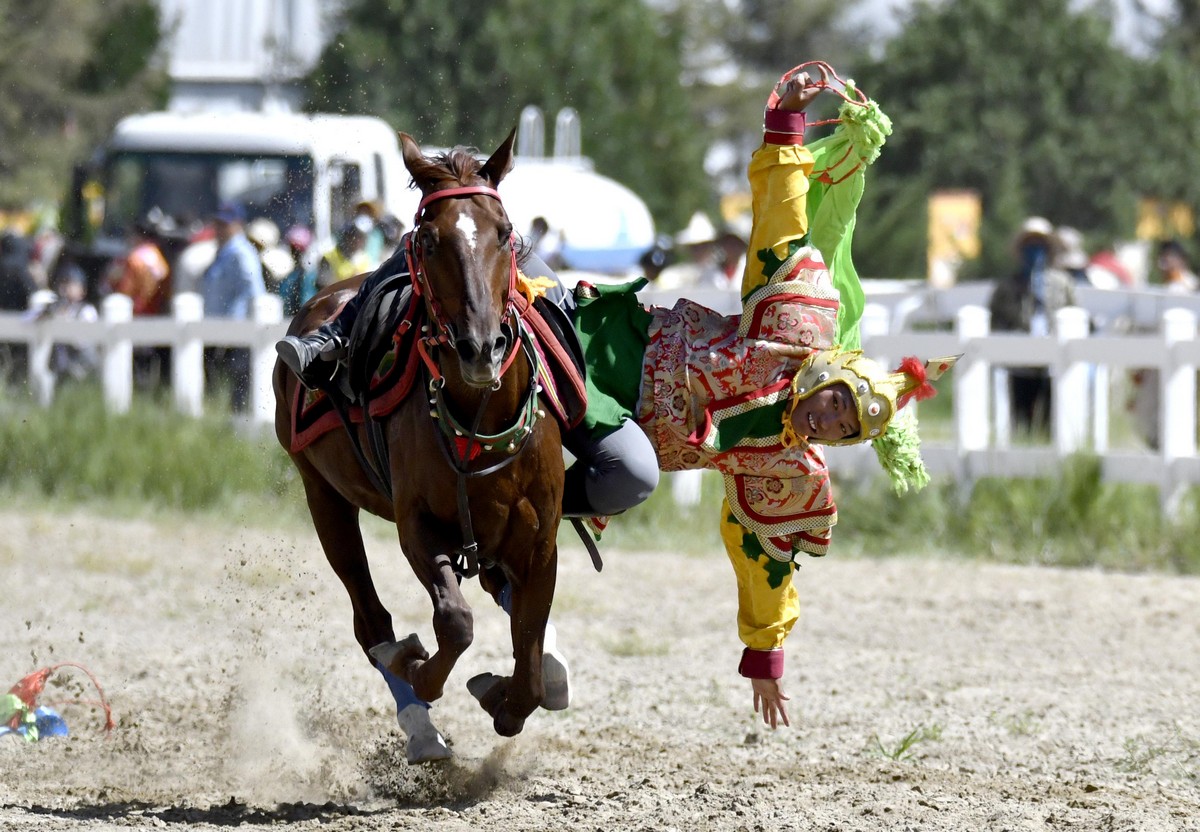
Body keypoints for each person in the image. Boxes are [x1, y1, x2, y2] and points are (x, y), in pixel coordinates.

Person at [276, 64, 953, 728]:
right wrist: (785, 124)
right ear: (830, 374)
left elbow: (768, 562)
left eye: (844, 430)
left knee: (636, 475)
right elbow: (780, 223)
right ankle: (333, 342)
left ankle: (510, 544)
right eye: (839, 402)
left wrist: (765, 653)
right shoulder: (793, 322)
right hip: (593, 340)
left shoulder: (788, 470)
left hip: (613, 423)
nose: (830, 421)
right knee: (474, 238)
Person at [988, 217, 1076, 435]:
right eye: (1029, 246)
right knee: (1020, 420)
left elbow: (1075, 314)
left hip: (1053, 362)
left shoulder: (1061, 283)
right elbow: (994, 319)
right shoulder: (1007, 286)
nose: (1034, 251)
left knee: (1051, 422)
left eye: (1039, 246)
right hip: (1019, 362)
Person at [201, 201, 266, 413]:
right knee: (217, 382)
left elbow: (254, 291)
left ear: (237, 225)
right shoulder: (224, 251)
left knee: (235, 384)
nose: (219, 229)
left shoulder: (241, 253)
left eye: (224, 224)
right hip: (219, 330)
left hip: (235, 330)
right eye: (217, 224)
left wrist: (244, 319)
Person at [44, 263, 99, 383]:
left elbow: (84, 341)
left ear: (82, 290)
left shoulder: (87, 311)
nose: (64, 288)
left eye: (70, 284)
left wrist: (65, 323)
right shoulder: (58, 308)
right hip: (63, 366)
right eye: (63, 284)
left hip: (82, 366)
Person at [317, 219, 373, 289]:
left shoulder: (364, 259)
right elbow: (322, 285)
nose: (357, 241)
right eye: (354, 236)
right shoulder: (330, 257)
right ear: (346, 236)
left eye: (361, 237)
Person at [278, 225, 319, 315]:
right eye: (293, 249)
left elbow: (306, 300)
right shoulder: (291, 273)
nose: (295, 253)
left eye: (297, 250)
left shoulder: (307, 275)